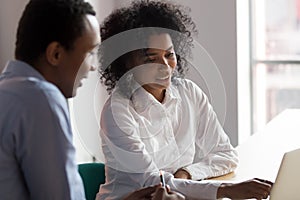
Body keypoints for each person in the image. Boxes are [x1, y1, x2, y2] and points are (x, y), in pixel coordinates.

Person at [0, 0, 183, 199]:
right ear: (56, 54)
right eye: (90, 53)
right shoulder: (42, 99)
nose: (93, 66)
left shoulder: (8, 92)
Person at [97, 1, 272, 199]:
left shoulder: (189, 93)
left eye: (169, 54)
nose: (165, 66)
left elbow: (226, 155)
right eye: (150, 59)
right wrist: (224, 190)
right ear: (126, 63)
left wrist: (187, 173)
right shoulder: (117, 111)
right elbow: (153, 183)